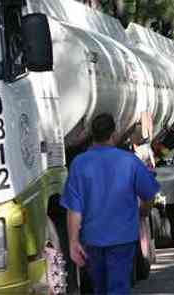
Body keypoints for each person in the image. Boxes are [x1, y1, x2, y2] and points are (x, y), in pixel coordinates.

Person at [61, 113, 160, 294]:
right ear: (114, 134)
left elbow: (74, 208)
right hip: (123, 238)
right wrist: (143, 212)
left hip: (92, 240)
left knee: (100, 289)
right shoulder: (129, 161)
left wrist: (73, 241)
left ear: (92, 134)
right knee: (119, 287)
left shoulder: (79, 164)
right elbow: (149, 194)